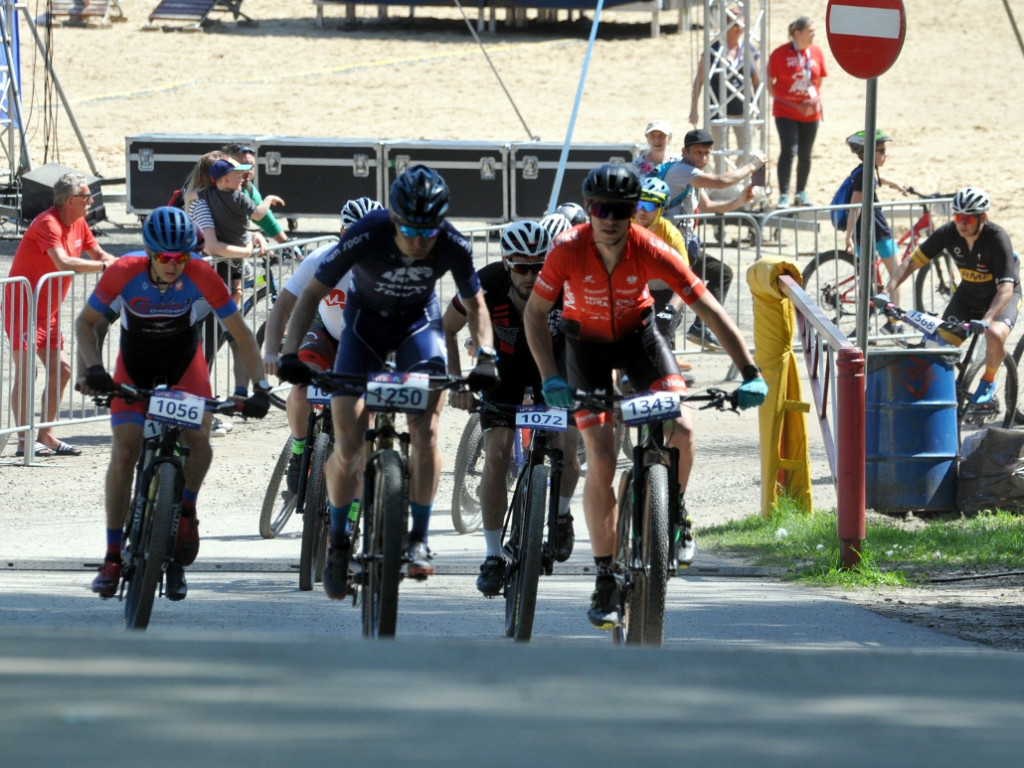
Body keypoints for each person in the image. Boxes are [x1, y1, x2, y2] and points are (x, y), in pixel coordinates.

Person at [523, 163, 767, 631]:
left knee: (684, 425)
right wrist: (550, 374)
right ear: (589, 210)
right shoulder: (567, 249)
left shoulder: (649, 245)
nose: (609, 219)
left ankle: (671, 509)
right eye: (600, 209)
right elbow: (535, 315)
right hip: (585, 348)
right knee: (599, 453)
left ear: (634, 211)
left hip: (640, 341)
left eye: (620, 210)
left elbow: (707, 307)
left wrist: (750, 371)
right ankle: (604, 577)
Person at [275, 164, 498, 599]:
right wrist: (286, 355)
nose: (418, 241)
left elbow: (476, 307)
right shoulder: (368, 231)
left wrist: (486, 355)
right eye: (410, 229)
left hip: (418, 327)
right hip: (364, 331)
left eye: (427, 231)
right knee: (349, 444)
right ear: (394, 218)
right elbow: (311, 295)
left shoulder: (451, 240)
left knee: (427, 430)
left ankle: (418, 536)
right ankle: (338, 539)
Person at [78, 207, 272, 601]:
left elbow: (242, 334)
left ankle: (185, 510)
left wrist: (262, 387)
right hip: (135, 365)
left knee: (199, 439)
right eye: (166, 258)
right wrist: (94, 368)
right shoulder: (125, 270)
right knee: (125, 450)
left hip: (184, 362)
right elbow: (85, 323)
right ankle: (113, 555)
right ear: (149, 253)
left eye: (182, 257)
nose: (174, 265)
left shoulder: (201, 273)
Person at [442, 220, 580, 597]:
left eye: (540, 265)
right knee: (498, 454)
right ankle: (491, 556)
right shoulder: (484, 283)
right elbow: (447, 328)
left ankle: (562, 516)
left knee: (568, 447)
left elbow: (591, 338)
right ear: (506, 263)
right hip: (503, 372)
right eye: (522, 267)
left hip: (553, 369)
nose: (532, 275)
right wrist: (457, 381)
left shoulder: (565, 286)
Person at [262, 197, 382, 498]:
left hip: (370, 344)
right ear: (342, 235)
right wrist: (273, 353)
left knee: (367, 415)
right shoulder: (321, 260)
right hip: (327, 332)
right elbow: (283, 308)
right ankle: (300, 452)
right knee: (301, 387)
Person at [3, 172, 117, 458]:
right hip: (24, 306)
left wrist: (121, 266)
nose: (92, 201)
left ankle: (47, 435)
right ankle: (23, 440)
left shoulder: (79, 222)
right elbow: (64, 261)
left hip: (48, 311)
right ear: (70, 200)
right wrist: (105, 269)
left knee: (62, 370)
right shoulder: (47, 222)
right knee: (28, 372)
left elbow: (99, 254)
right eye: (87, 197)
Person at [875, 187, 1022, 406]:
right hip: (968, 295)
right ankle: (949, 393)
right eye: (957, 216)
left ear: (983, 218)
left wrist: (987, 320)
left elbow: (1005, 290)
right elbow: (911, 262)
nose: (962, 223)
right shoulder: (949, 232)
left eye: (968, 218)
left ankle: (988, 381)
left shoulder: (997, 238)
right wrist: (887, 292)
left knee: (994, 334)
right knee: (938, 347)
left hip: (1001, 297)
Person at [192, 156, 284, 404]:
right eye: (238, 173)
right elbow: (213, 247)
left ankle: (204, 403)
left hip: (224, 272)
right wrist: (246, 249)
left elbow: (237, 227)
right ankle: (202, 405)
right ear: (220, 177)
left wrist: (252, 236)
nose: (245, 177)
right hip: (210, 278)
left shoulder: (210, 198)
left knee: (219, 337)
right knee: (208, 344)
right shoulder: (202, 203)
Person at [661, 128, 764, 348]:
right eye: (698, 152)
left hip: (684, 247)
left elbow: (710, 206)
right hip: (670, 247)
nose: (703, 157)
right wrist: (752, 165)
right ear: (684, 152)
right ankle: (665, 359)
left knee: (720, 274)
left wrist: (741, 200)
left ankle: (700, 327)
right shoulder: (682, 171)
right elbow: (721, 180)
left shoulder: (692, 176)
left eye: (707, 153)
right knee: (673, 303)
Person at [840, 129, 908, 334]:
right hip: (876, 230)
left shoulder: (863, 171)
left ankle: (866, 325)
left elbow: (877, 180)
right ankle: (894, 323)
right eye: (881, 150)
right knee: (898, 273)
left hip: (865, 232)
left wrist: (893, 183)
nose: (884, 154)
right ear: (868, 153)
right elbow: (856, 205)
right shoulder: (865, 175)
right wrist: (849, 236)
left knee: (868, 281)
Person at [768, 16, 827, 209]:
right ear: (797, 33)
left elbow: (820, 80)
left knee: (806, 153)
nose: (814, 34)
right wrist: (786, 100)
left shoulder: (817, 52)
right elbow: (770, 83)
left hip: (811, 114)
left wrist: (812, 100)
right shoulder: (780, 54)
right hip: (786, 112)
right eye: (810, 30)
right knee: (788, 151)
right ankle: (784, 195)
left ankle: (801, 192)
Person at [689, 4, 761, 154]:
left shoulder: (750, 50)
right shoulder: (712, 50)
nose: (739, 28)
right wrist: (694, 109)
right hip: (717, 111)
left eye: (742, 24)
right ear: (725, 25)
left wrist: (759, 107)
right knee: (718, 153)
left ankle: (739, 178)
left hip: (743, 110)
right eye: (735, 24)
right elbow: (699, 80)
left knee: (747, 151)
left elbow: (757, 81)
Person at [222, 142, 293, 253]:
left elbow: (264, 218)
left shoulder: (249, 188)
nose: (248, 170)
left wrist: (287, 243)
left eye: (252, 166)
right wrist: (255, 238)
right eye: (243, 165)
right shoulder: (222, 191)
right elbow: (226, 229)